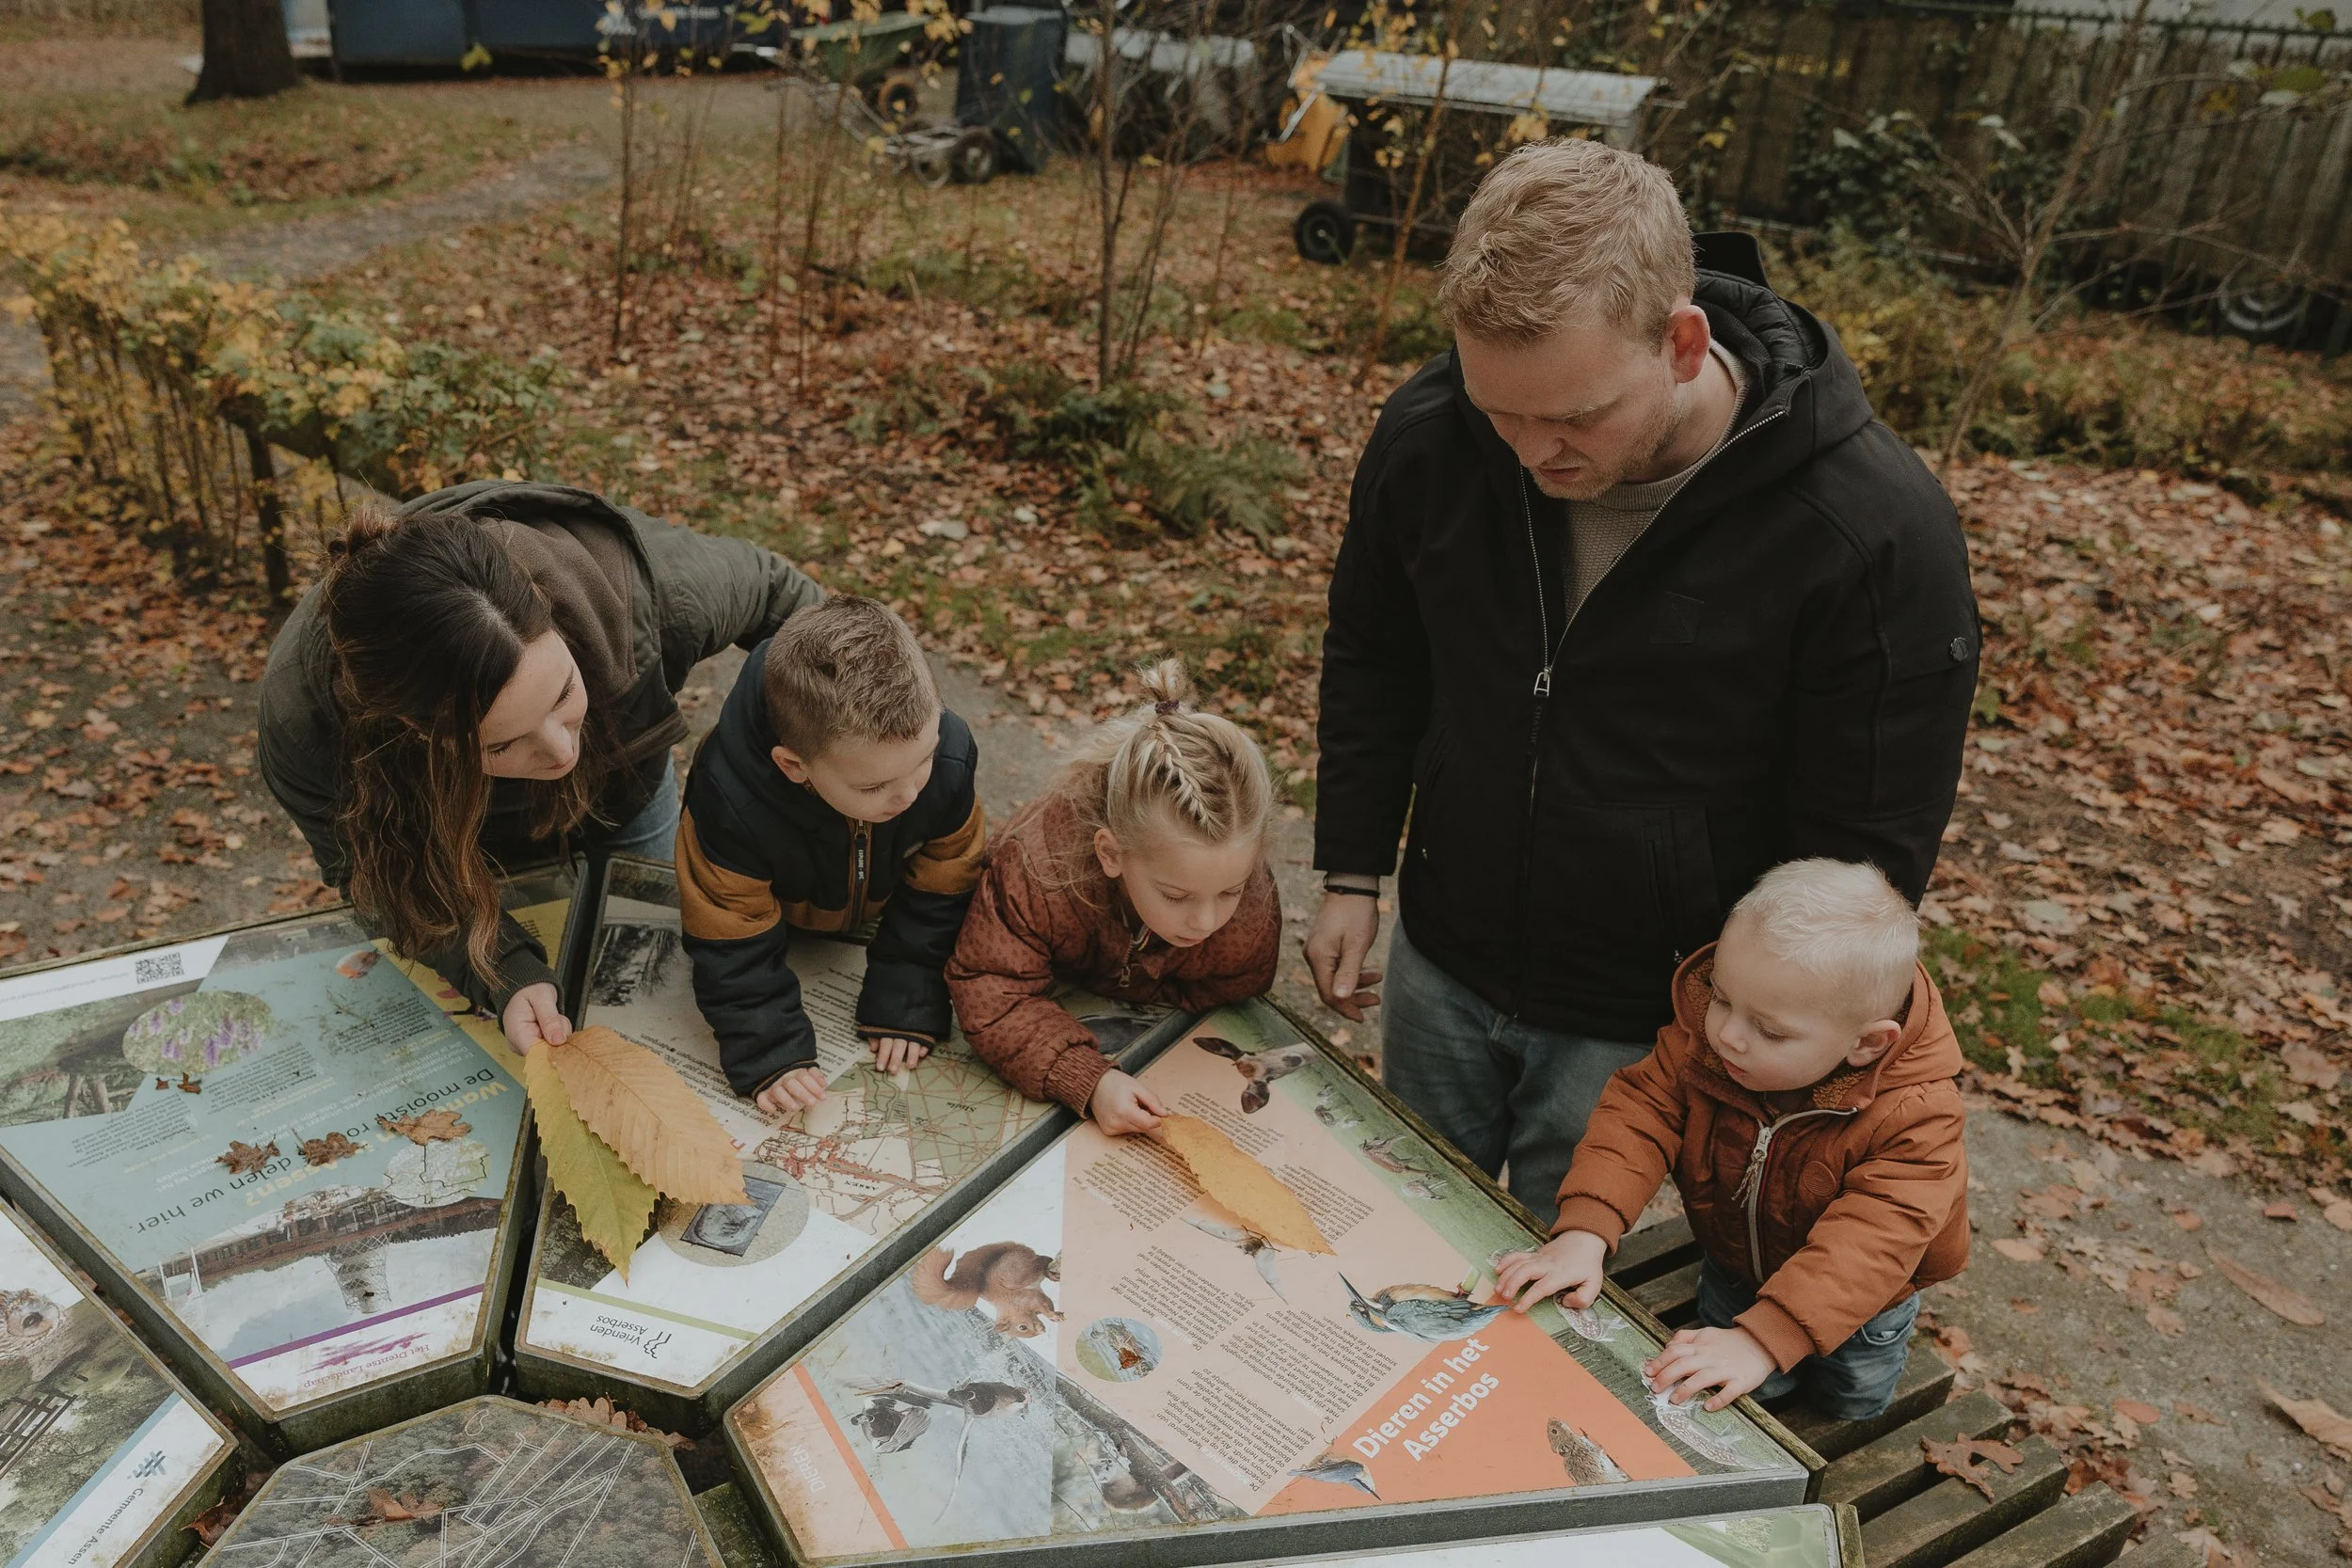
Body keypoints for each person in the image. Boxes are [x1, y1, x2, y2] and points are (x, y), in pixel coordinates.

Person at [1305, 137, 1978, 1223]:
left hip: (1652, 1021)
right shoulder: (1432, 436)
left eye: (1573, 415)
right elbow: (1376, 652)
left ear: (1679, 341)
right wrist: (1350, 865)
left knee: (1558, 1293)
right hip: (1442, 954)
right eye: (1501, 410)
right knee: (1409, 1230)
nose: (1533, 452)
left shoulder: (1870, 534)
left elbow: (1862, 854)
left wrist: (1750, 1035)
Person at [260, 483, 823, 1052]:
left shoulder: (650, 590)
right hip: (458, 842)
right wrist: (503, 970)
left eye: (562, 695)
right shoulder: (305, 726)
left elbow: (805, 618)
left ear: (551, 614)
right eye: (500, 745)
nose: (560, 754)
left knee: (655, 960)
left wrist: (803, 773)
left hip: (621, 791)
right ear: (410, 732)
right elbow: (382, 880)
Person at [1494, 859, 1968, 1420]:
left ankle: (1842, 1423)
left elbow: (1875, 1241)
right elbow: (1639, 1115)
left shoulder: (1917, 1115)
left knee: (1851, 1396)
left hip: (1863, 1307)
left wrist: (1766, 1339)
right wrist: (1585, 1229)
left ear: (1865, 1044)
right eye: (1720, 997)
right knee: (1736, 1387)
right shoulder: (1706, 1044)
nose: (1728, 1035)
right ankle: (1760, 1393)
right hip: (1733, 1262)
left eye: (1769, 1030)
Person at [676, 596, 986, 1116]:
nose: (909, 794)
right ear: (794, 766)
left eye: (923, 759)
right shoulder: (729, 796)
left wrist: (909, 989)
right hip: (774, 922)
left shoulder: (948, 756)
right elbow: (727, 926)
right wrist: (770, 1050)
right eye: (875, 787)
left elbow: (946, 878)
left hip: (872, 917)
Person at [948, 660, 1279, 1134]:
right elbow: (989, 985)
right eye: (1176, 895)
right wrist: (1089, 1080)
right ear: (1110, 853)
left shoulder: (1242, 887)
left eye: (1231, 890)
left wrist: (1141, 983)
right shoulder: (1036, 867)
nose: (1207, 920)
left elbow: (1239, 980)